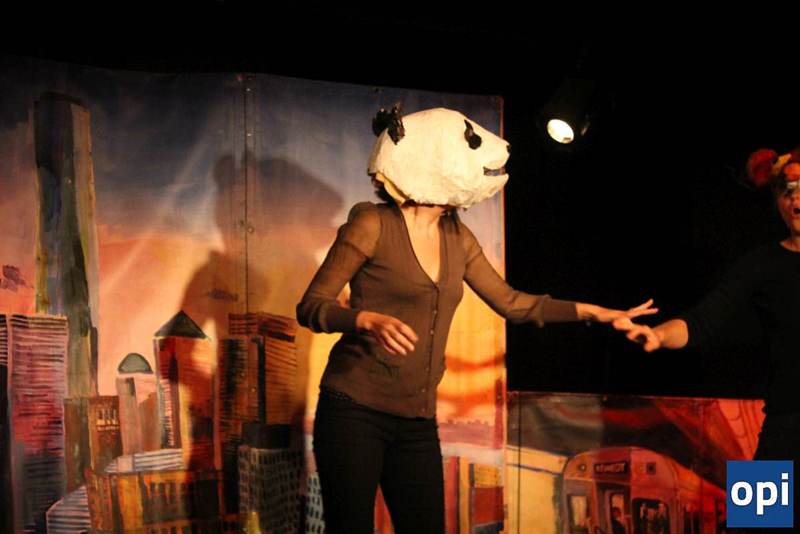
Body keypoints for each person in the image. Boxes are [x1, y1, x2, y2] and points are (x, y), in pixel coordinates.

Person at [296, 106, 657, 534]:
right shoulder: (373, 224)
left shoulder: (458, 238)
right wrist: (365, 320)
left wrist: (595, 312)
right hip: (354, 411)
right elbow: (312, 306)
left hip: (416, 420)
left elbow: (513, 303)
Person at [615, 147, 800, 529]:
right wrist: (658, 334)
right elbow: (702, 321)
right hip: (784, 424)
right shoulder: (761, 264)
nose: (794, 199)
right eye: (786, 191)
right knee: (753, 523)